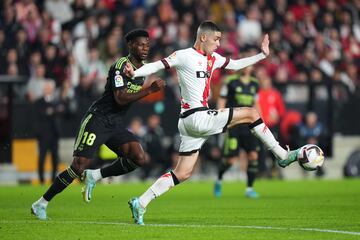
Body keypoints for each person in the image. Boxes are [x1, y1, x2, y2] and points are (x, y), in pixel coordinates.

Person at [123, 21, 301, 225]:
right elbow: (158, 65)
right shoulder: (183, 55)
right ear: (203, 37)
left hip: (189, 122)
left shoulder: (213, 58)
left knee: (182, 172)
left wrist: (261, 55)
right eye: (216, 39)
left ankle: (141, 202)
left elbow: (234, 64)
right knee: (252, 113)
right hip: (197, 117)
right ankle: (282, 155)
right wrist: (135, 73)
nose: (218, 44)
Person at [31, 29, 165, 220]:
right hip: (98, 119)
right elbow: (120, 98)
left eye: (147, 44)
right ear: (130, 45)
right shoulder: (120, 65)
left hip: (116, 123)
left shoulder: (141, 71)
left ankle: (96, 175)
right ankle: (41, 203)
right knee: (78, 166)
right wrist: (149, 90)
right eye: (140, 44)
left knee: (138, 157)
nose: (145, 48)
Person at [214, 64, 261, 199]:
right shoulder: (230, 81)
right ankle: (219, 179)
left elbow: (256, 103)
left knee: (253, 156)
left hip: (249, 125)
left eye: (249, 64)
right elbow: (222, 100)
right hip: (233, 124)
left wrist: (260, 120)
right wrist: (220, 118)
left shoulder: (255, 83)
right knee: (231, 160)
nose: (247, 67)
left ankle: (249, 189)